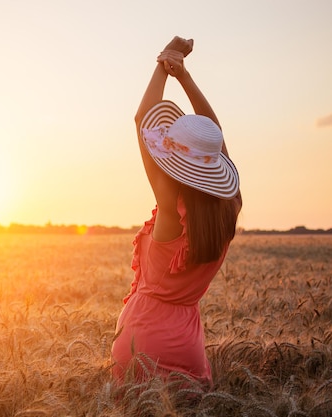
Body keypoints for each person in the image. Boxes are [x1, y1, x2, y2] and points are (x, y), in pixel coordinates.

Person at [111, 36, 242, 387]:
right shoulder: (230, 209)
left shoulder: (170, 209)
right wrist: (184, 77)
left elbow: (142, 118)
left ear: (174, 160)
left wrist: (165, 63)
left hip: (141, 346)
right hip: (188, 348)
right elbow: (215, 135)